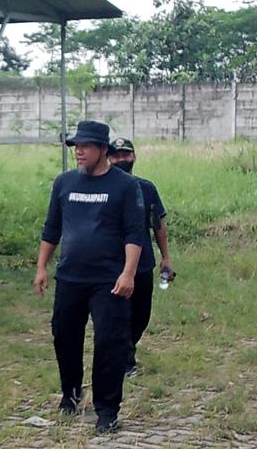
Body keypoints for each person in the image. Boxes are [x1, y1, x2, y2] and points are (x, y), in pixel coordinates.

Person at [33, 121, 144, 434]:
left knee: (110, 343)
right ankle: (70, 393)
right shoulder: (64, 182)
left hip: (109, 279)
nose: (78, 152)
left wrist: (128, 273)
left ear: (103, 150)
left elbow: (134, 233)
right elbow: (51, 228)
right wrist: (42, 267)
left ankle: (107, 410)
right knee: (65, 336)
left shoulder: (124, 185)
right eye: (75, 146)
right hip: (70, 277)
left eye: (85, 146)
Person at [108, 137, 173, 377]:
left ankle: (128, 348)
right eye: (117, 155)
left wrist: (166, 258)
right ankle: (124, 360)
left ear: (134, 157)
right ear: (109, 157)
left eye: (126, 155)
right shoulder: (102, 187)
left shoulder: (146, 188)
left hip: (143, 263)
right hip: (112, 264)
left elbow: (158, 224)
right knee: (118, 314)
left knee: (141, 314)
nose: (122, 159)